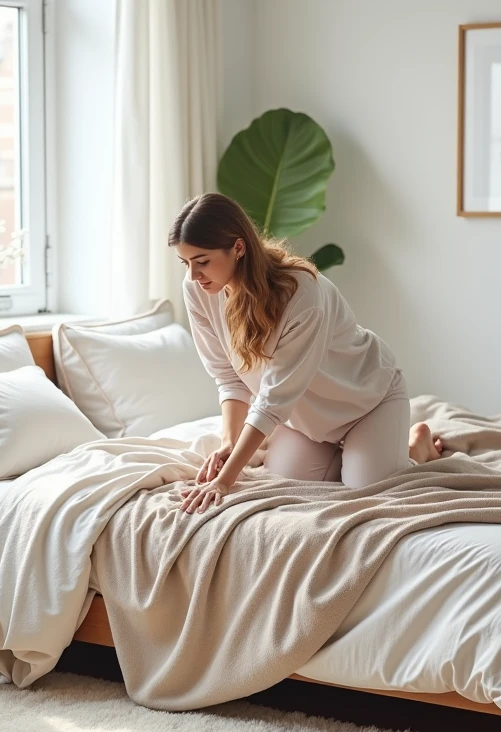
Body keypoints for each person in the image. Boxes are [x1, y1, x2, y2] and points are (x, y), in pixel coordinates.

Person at [171, 192, 442, 514]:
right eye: (186, 263)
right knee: (291, 483)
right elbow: (229, 377)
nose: (193, 275)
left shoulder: (302, 293)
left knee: (368, 490)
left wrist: (224, 481)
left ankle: (416, 447)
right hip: (301, 419)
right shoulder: (199, 291)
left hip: (366, 401)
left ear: (239, 248)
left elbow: (272, 401)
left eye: (202, 261)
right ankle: (361, 454)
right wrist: (229, 443)